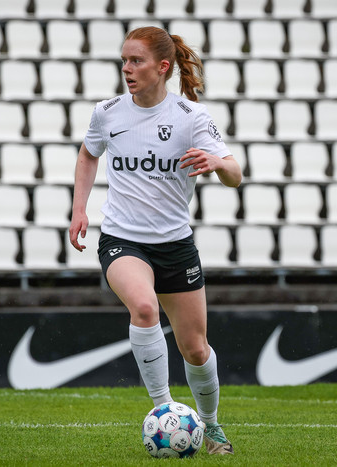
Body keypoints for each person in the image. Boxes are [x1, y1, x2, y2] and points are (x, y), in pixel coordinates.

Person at [68, 26, 241, 455]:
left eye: (136, 61)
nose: (127, 69)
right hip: (123, 239)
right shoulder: (107, 112)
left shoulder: (191, 116)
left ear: (162, 67)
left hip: (175, 245)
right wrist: (79, 209)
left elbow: (235, 176)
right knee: (144, 308)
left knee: (195, 349)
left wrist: (217, 162)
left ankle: (212, 426)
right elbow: (88, 154)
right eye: (124, 61)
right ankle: (165, 411)